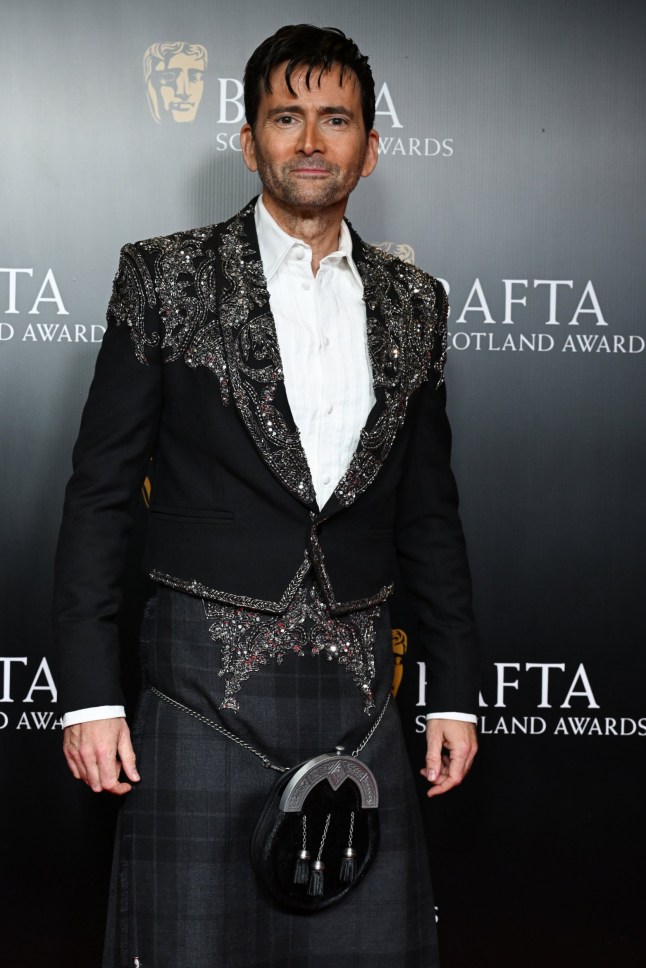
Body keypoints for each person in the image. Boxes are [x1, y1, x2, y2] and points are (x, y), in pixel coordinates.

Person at [54, 24, 479, 968]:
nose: (311, 141)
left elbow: (429, 515)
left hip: (364, 697)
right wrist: (88, 696)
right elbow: (100, 496)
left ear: (370, 148)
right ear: (249, 140)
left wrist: (452, 688)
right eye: (286, 117)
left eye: (336, 119)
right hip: (199, 690)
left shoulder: (418, 303)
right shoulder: (164, 277)